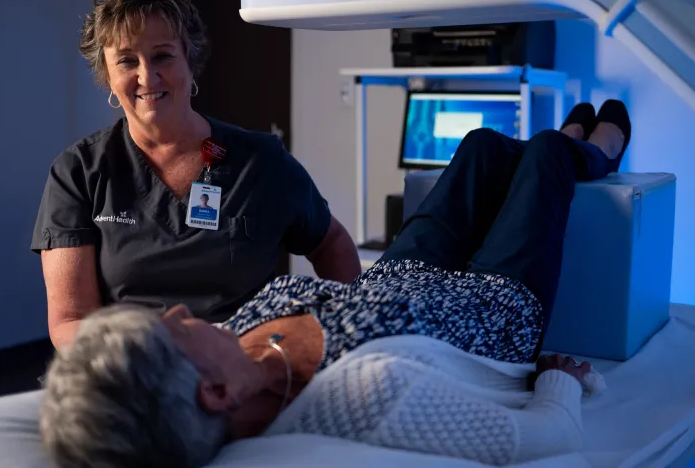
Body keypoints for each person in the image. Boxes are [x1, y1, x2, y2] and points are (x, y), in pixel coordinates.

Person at [39, 100, 632, 468]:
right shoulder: (365, 399)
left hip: (402, 274)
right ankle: (597, 148)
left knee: (479, 145)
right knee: (548, 153)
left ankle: (573, 143)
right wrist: (560, 382)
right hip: (493, 306)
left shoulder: (229, 349)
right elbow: (541, 438)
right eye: (167, 334)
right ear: (216, 394)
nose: (171, 314)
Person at [31, 0, 361, 349]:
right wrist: (150, 357)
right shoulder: (79, 173)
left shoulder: (259, 161)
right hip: (133, 368)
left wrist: (341, 336)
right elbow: (71, 321)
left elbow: (331, 243)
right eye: (126, 61)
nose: (147, 77)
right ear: (107, 73)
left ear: (190, 59)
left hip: (242, 366)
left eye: (162, 56)